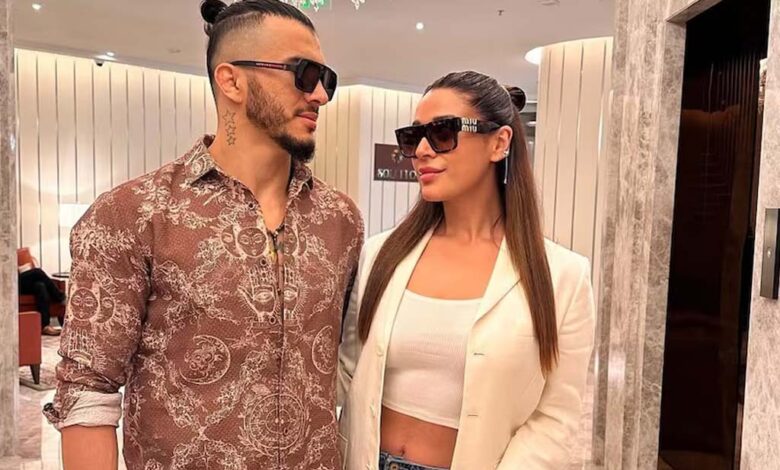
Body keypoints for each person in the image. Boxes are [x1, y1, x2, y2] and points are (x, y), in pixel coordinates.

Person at [44, 1, 363, 469]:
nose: (320, 95)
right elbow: (87, 391)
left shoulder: (340, 220)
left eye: (327, 79)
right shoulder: (135, 214)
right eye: (304, 74)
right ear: (231, 80)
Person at [338, 71, 596, 470]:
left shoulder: (562, 276)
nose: (423, 150)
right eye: (413, 136)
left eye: (442, 132)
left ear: (499, 142)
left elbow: (555, 417)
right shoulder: (380, 254)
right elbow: (349, 372)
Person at [17, 248, 66, 336]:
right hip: (10, 285)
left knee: (40, 286)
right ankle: (60, 297)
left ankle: (44, 326)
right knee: (38, 272)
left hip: (21, 283)